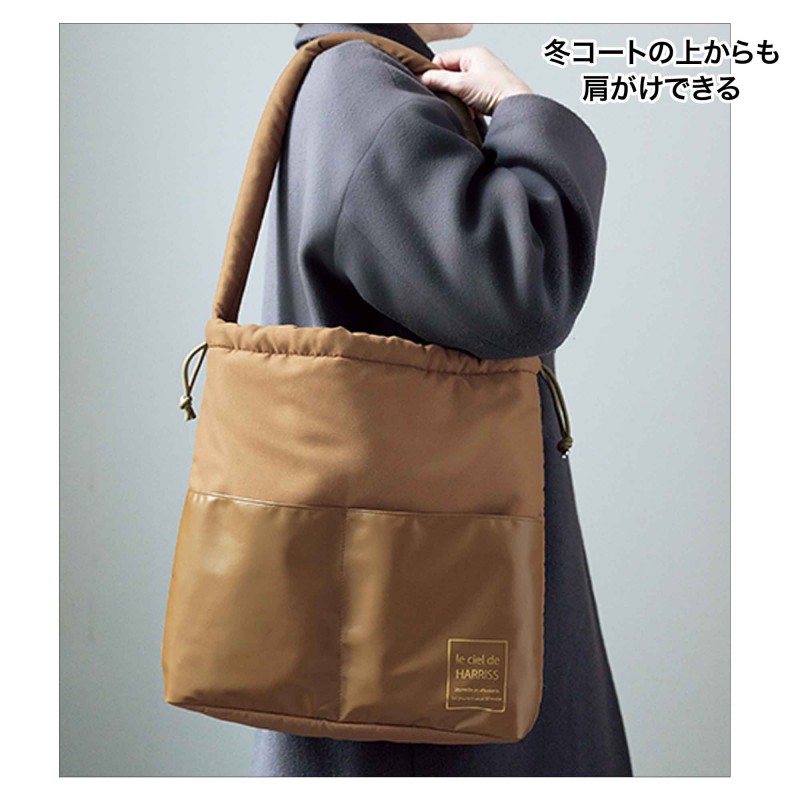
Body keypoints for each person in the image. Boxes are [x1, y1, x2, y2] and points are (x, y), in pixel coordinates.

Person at [250, 22, 632, 777]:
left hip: (412, 592)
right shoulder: (361, 89)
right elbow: (521, 294)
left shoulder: (360, 85)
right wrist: (522, 113)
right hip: (423, 628)